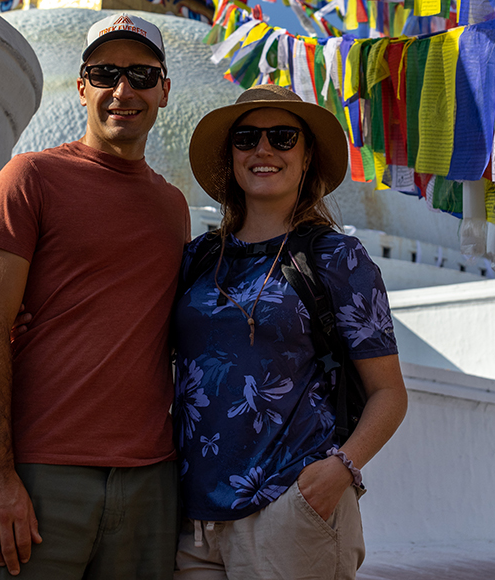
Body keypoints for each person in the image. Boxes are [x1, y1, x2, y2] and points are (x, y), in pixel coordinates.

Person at [0, 12, 190, 580]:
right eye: (106, 73)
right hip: (41, 472)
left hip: (149, 479)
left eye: (141, 75)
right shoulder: (29, 178)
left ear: (164, 90)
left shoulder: (173, 207)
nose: (123, 91)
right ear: (82, 86)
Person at [173, 84, 408, 580]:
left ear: (306, 159)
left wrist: (339, 470)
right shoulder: (198, 259)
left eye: (282, 137)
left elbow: (388, 392)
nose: (263, 150)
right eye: (246, 139)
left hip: (291, 508)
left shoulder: (337, 258)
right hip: (193, 519)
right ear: (231, 157)